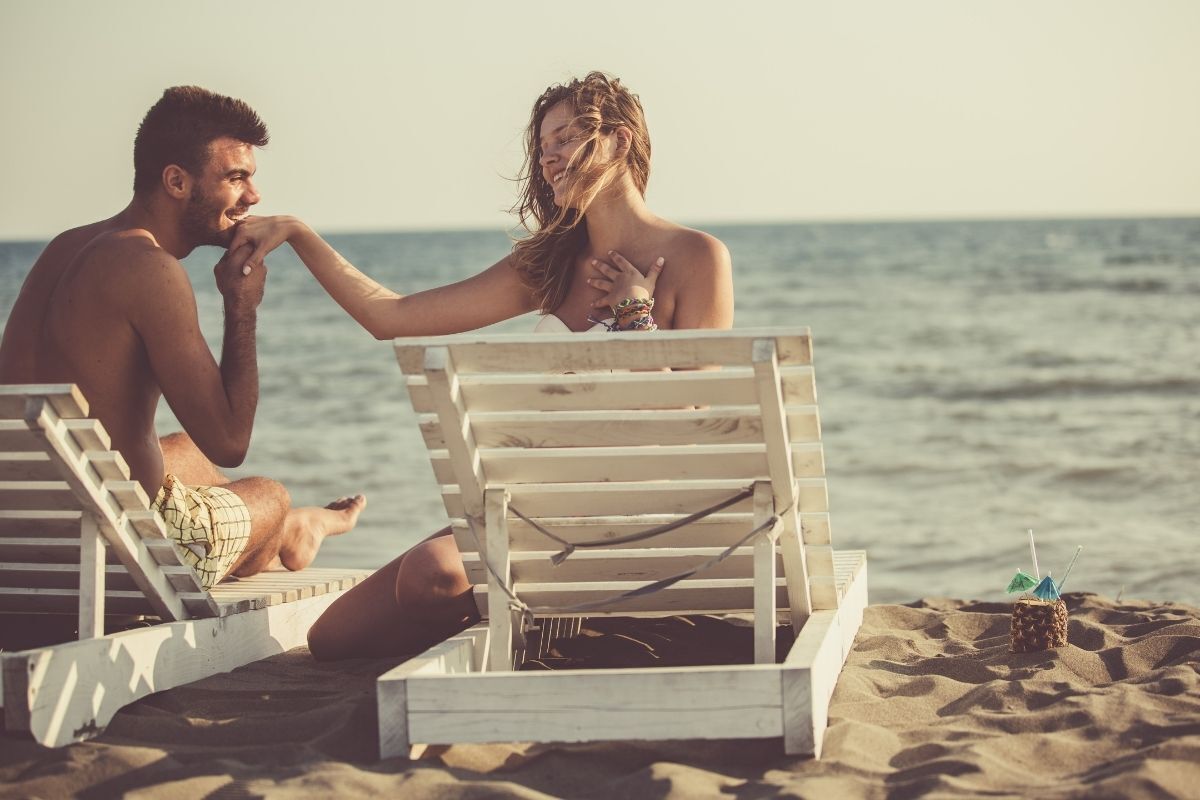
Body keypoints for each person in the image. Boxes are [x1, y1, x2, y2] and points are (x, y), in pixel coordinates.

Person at [227, 72, 734, 658]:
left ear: (619, 141)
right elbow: (391, 316)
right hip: (526, 509)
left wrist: (634, 314)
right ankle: (525, 614)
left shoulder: (698, 257)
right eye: (543, 147)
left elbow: (693, 429)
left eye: (566, 138)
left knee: (428, 578)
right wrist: (299, 234)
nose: (550, 158)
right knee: (332, 640)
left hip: (630, 521)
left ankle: (550, 617)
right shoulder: (548, 265)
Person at [0, 86, 364, 591]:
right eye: (236, 177)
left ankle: (282, 531)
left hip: (16, 539)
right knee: (269, 493)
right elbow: (232, 441)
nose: (253, 197)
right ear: (176, 180)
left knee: (189, 454)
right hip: (115, 552)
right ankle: (290, 529)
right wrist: (241, 305)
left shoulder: (65, 247)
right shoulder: (151, 269)